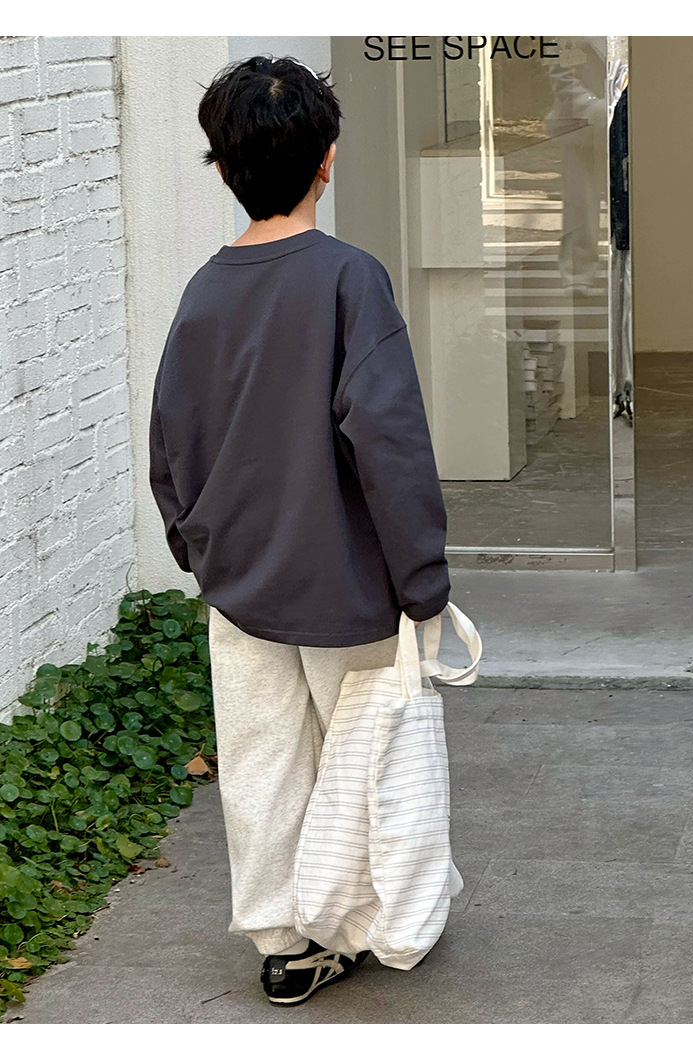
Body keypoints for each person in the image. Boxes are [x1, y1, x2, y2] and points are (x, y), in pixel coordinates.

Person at [148, 55, 451, 1007]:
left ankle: (284, 942)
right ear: (328, 159)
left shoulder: (203, 291)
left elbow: (169, 444)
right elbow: (389, 439)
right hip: (346, 583)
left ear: (223, 167)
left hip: (239, 584)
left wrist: (200, 549)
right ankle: (364, 921)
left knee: (260, 763)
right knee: (364, 756)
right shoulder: (349, 279)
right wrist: (422, 578)